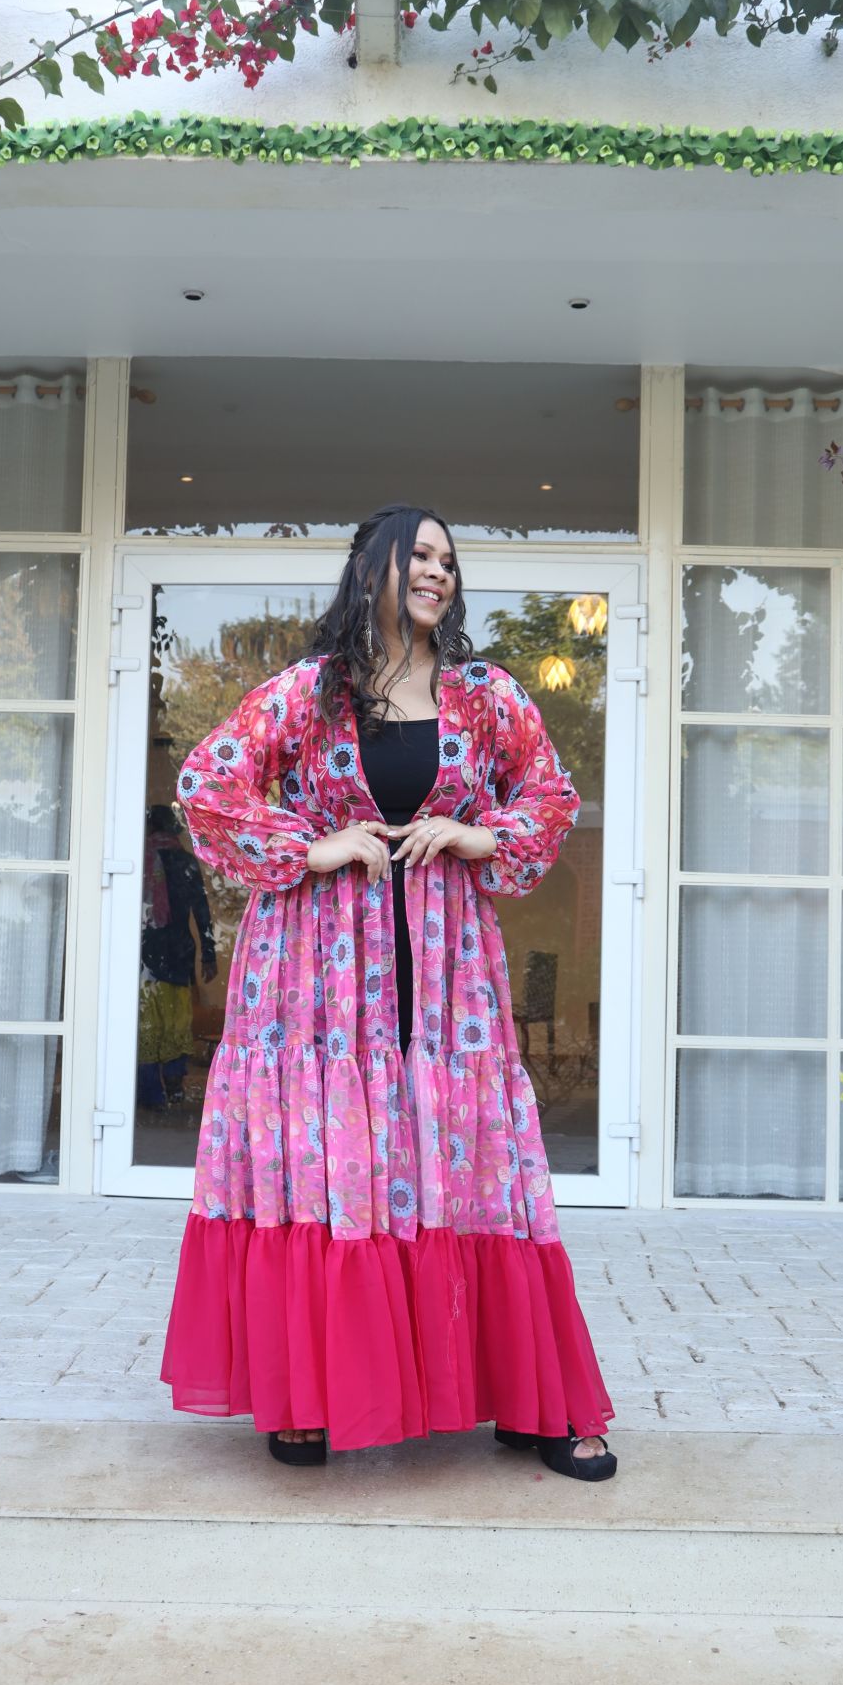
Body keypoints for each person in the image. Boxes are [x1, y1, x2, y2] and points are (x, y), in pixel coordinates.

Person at [159, 503, 616, 1480]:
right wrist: (313, 846)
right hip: (316, 975)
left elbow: (548, 795)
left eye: (449, 560)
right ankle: (309, 1392)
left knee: (479, 1157)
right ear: (373, 566)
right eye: (420, 554)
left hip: (448, 970)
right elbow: (206, 785)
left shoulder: (484, 695)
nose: (438, 572)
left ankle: (527, 1394)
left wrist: (473, 834)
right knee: (336, 1162)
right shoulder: (310, 694)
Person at [137, 802, 217, 1110]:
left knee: (147, 1023)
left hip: (143, 953)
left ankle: (148, 1093)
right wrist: (208, 954)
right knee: (176, 1023)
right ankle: (174, 1087)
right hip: (179, 952)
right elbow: (201, 910)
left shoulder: (139, 858)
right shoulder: (184, 860)